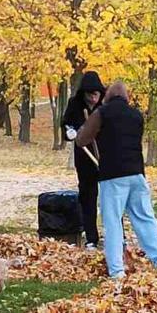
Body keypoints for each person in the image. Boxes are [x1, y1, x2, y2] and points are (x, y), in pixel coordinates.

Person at [75, 80, 157, 279]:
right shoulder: (137, 115)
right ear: (126, 97)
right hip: (136, 172)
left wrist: (80, 132)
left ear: (107, 96)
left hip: (112, 175)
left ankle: (117, 270)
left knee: (112, 222)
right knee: (145, 217)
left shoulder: (101, 113)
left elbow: (82, 139)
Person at [62, 71, 105, 249]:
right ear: (83, 94)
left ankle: (118, 236)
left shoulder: (105, 104)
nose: (93, 99)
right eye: (90, 95)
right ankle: (91, 237)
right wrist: (69, 131)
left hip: (105, 157)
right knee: (88, 197)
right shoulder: (75, 104)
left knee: (111, 198)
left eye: (96, 95)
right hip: (85, 157)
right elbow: (66, 124)